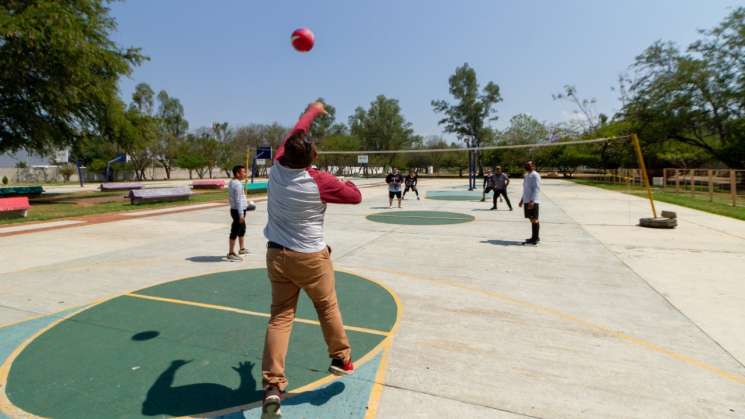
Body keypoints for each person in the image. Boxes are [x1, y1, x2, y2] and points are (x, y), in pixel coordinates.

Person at [261, 102, 362, 418]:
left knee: (280, 318)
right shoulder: (319, 180)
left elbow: (296, 132)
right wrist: (339, 179)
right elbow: (355, 195)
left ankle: (273, 388)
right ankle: (340, 358)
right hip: (311, 258)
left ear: (285, 152)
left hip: (277, 255)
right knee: (326, 306)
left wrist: (311, 111)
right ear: (313, 158)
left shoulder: (277, 165)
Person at [227, 165, 249, 261]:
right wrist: (241, 214)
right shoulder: (237, 184)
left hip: (237, 210)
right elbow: (238, 200)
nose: (245, 174)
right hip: (237, 211)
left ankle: (242, 249)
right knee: (235, 230)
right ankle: (231, 253)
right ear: (237, 173)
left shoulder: (233, 182)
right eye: (243, 172)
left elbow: (239, 199)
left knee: (242, 228)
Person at [518, 160, 541, 245]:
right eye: (526, 165)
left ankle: (536, 238)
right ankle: (533, 237)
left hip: (533, 201)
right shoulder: (527, 175)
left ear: (533, 166)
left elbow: (536, 188)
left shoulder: (535, 175)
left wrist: (532, 201)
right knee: (531, 219)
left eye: (529, 165)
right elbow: (525, 190)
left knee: (535, 219)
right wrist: (522, 200)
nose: (527, 166)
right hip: (526, 200)